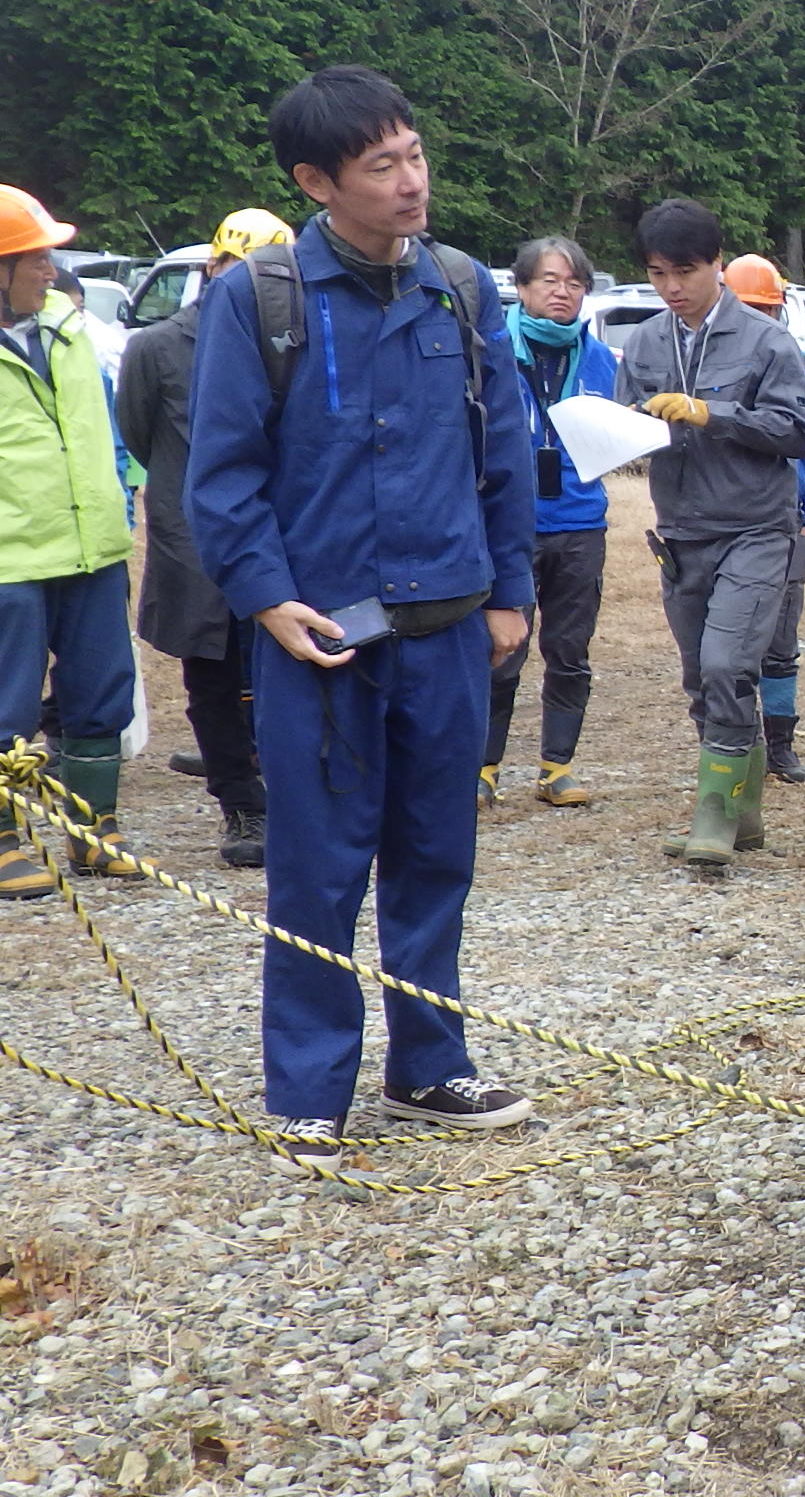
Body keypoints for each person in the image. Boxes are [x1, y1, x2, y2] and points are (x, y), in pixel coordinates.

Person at [186, 66, 540, 1174]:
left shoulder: (461, 287)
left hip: (448, 629)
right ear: (316, 181)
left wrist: (510, 591)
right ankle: (308, 1089)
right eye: (382, 165)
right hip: (323, 640)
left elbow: (504, 450)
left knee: (437, 855)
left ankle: (429, 1064)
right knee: (319, 868)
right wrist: (265, 597)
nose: (411, 181)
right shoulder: (264, 299)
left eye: (415, 155)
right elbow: (222, 473)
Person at [616, 199, 805, 867]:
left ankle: (714, 816)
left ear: (717, 265)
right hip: (680, 533)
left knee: (729, 664)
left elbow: (798, 431)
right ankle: (741, 813)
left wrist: (712, 413)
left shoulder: (765, 340)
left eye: (685, 271)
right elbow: (624, 427)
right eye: (658, 273)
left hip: (756, 528)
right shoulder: (644, 342)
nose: (672, 287)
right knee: (702, 676)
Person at [116, 206, 293, 868]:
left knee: (284, 671)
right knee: (213, 677)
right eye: (236, 268)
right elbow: (140, 434)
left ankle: (286, 790)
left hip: (277, 534)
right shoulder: (157, 347)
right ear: (212, 268)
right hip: (194, 540)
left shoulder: (294, 344)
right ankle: (241, 803)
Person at [0, 184, 141, 896]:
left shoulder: (69, 326)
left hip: (92, 548)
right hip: (10, 559)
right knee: (6, 703)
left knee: (100, 692)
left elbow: (105, 425)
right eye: (35, 258)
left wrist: (120, 505)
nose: (50, 270)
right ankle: (2, 837)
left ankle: (94, 828)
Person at [483, 236, 617, 809]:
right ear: (521, 287)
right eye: (549, 281)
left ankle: (557, 767)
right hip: (511, 522)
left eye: (574, 283)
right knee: (499, 649)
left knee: (570, 649)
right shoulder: (490, 350)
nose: (563, 292)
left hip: (581, 521)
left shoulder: (600, 358)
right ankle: (482, 768)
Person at [727, 253, 805, 784]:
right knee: (730, 647)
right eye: (749, 308)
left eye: (765, 309)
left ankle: (781, 748)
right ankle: (736, 747)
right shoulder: (710, 370)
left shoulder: (800, 369)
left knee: (781, 642)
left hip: (791, 524)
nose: (759, 320)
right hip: (731, 523)